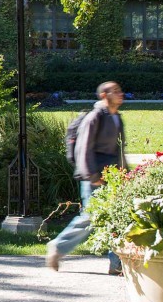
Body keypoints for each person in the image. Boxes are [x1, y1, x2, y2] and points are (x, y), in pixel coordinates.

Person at [46, 81, 127, 275]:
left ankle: (117, 263)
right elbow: (84, 148)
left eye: (120, 90)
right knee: (90, 218)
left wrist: (125, 173)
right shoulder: (95, 117)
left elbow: (119, 151)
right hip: (94, 177)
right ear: (104, 95)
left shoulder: (117, 117)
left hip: (113, 176)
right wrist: (92, 176)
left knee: (117, 217)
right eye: (115, 91)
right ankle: (58, 247)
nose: (120, 94)